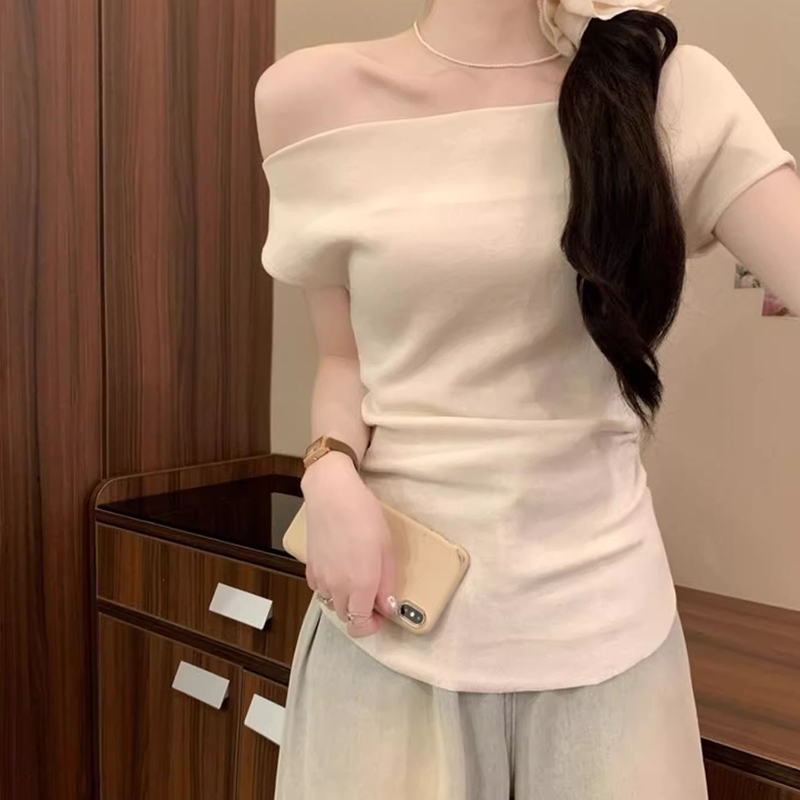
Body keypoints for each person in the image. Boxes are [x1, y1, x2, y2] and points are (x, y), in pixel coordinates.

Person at [254, 0, 800, 797]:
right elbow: (343, 358)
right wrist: (327, 470)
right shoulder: (309, 97)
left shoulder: (663, 90)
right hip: (388, 619)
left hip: (606, 641)